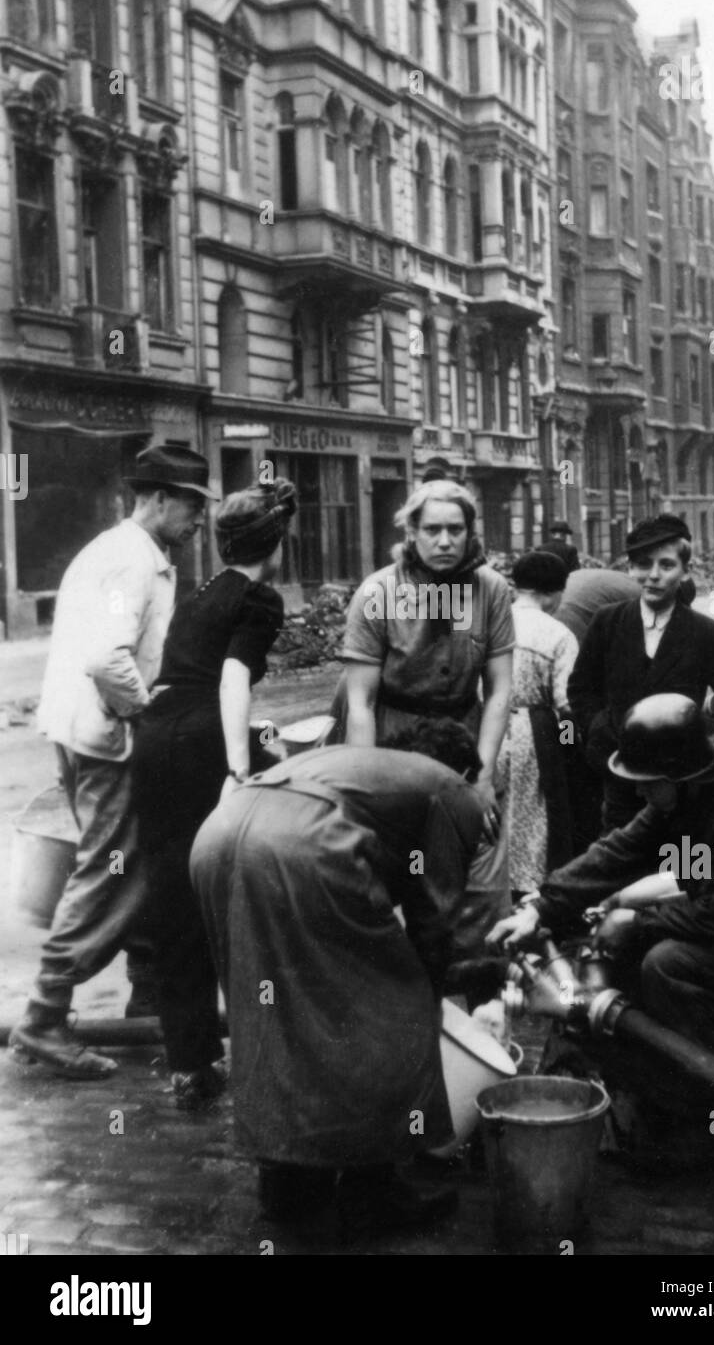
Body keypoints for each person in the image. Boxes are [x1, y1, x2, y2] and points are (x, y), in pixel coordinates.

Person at [191, 721, 486, 1239]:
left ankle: (287, 1190)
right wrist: (425, 1000)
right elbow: (433, 921)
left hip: (218, 833)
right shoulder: (452, 788)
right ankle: (373, 1189)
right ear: (466, 769)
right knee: (388, 1009)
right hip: (299, 850)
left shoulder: (358, 764)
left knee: (271, 1012)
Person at [10, 445, 214, 1078]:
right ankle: (43, 1019)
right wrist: (147, 712)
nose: (199, 520)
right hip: (107, 739)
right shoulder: (131, 562)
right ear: (156, 499)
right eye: (191, 505)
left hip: (81, 732)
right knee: (106, 871)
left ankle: (137, 997)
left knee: (118, 864)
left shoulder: (121, 551)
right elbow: (107, 658)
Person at [488, 694, 714, 1062]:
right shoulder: (682, 799)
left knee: (667, 964)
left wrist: (636, 921)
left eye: (648, 781)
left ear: (681, 777)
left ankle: (708, 1076)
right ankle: (667, 1050)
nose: (639, 790)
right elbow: (616, 853)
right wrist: (540, 909)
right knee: (631, 949)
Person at [131, 478, 296, 1110]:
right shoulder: (260, 598)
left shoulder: (199, 593)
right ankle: (260, 1049)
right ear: (275, 545)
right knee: (233, 896)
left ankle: (190, 1063)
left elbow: (188, 677)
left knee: (171, 898)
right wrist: (237, 766)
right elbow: (231, 680)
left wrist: (254, 738)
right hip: (202, 747)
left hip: (156, 739)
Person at [341, 480, 514, 948]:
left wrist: (482, 775)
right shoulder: (377, 592)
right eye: (432, 529)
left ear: (470, 532)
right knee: (394, 867)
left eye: (455, 530)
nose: (444, 541)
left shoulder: (490, 590)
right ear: (411, 532)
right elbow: (360, 702)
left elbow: (499, 690)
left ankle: (480, 992)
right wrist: (367, 784)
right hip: (395, 739)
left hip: (466, 739)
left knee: (480, 864)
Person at [568, 515, 714, 832]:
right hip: (619, 768)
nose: (654, 576)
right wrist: (600, 727)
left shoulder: (706, 632)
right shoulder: (608, 621)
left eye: (667, 565)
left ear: (686, 571)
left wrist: (706, 747)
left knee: (677, 866)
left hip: (681, 779)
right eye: (643, 564)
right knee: (618, 855)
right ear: (630, 568)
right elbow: (580, 687)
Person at [497, 552, 578, 894]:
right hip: (537, 727)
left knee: (496, 807)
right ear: (554, 592)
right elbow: (566, 704)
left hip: (490, 723)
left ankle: (494, 884)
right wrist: (569, 743)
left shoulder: (491, 623)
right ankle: (529, 887)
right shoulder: (558, 634)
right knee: (535, 812)